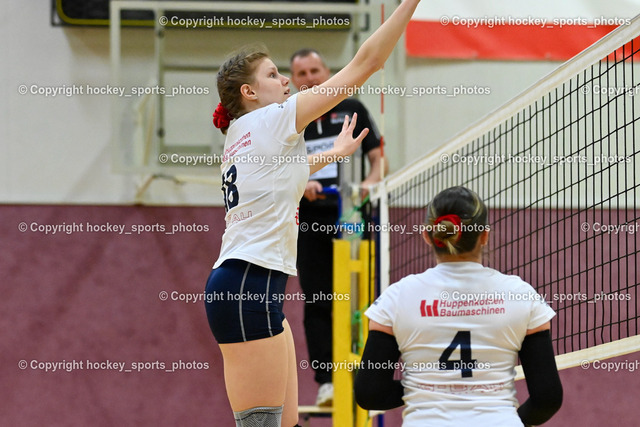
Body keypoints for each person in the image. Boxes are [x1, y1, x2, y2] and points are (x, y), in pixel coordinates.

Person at [203, 2, 422, 426]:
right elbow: (369, 62)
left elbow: (283, 174)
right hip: (247, 286)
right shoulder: (272, 120)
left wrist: (335, 154)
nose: (285, 80)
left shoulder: (242, 133)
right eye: (272, 75)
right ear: (249, 93)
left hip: (250, 286)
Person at [354, 186, 563, 426]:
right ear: (484, 236)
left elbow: (370, 392)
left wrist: (430, 385)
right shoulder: (521, 295)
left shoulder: (396, 297)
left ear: (427, 235)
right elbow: (547, 398)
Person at [289, 48, 387, 407]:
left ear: (328, 71)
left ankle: (362, 370)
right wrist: (301, 182)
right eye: (302, 73)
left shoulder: (353, 108)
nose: (310, 77)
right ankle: (327, 380)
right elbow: (279, 168)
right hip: (308, 219)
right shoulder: (290, 119)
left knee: (357, 297)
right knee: (318, 300)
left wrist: (370, 184)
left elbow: (378, 158)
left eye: (316, 69)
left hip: (349, 215)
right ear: (293, 79)